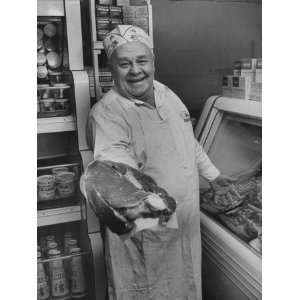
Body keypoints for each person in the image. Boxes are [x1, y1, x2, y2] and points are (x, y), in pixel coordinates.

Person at [86, 25, 235, 300]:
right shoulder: (107, 113)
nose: (135, 70)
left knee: (185, 286)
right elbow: (116, 175)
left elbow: (187, 140)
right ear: (112, 68)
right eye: (124, 63)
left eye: (142, 61)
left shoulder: (167, 94)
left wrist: (213, 175)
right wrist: (155, 222)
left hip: (186, 221)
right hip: (149, 231)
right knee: (152, 291)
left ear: (153, 62)